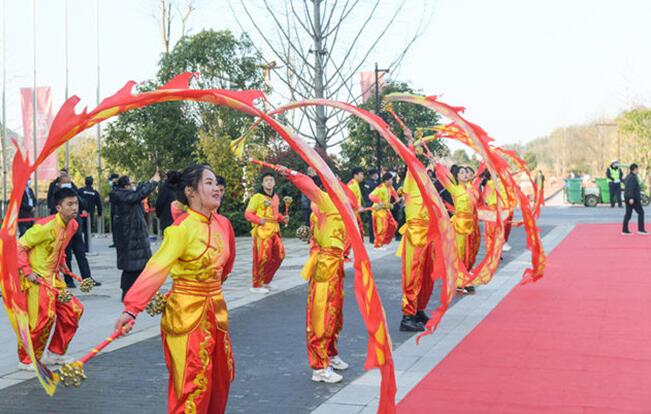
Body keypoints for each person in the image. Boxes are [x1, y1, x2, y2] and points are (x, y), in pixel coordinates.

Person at [115, 164, 236, 414]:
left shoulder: (224, 224)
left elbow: (227, 265)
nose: (216, 189)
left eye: (216, 184)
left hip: (216, 311)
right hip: (186, 314)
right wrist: (132, 309)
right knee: (193, 383)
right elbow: (156, 268)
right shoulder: (180, 230)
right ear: (190, 191)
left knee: (221, 380)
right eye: (209, 183)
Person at [277, 166, 348, 384]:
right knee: (321, 316)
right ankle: (319, 366)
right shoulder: (325, 199)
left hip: (336, 266)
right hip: (325, 266)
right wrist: (291, 174)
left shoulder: (339, 204)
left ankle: (331, 354)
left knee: (335, 316)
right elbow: (307, 186)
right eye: (331, 179)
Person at [16, 187, 84, 370]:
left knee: (73, 310)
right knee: (42, 317)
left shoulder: (73, 225)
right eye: (69, 204)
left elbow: (60, 246)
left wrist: (61, 262)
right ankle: (26, 359)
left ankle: (55, 353)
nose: (74, 208)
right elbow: (19, 246)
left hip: (54, 279)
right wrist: (27, 270)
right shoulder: (44, 226)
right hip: (38, 279)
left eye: (75, 203)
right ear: (58, 207)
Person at [110, 173, 160, 300]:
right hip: (130, 238)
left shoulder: (124, 194)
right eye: (130, 184)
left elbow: (139, 192)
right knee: (131, 269)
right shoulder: (122, 195)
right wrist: (153, 181)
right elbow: (139, 194)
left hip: (134, 237)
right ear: (126, 186)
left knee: (138, 267)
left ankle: (136, 293)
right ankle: (127, 293)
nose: (132, 186)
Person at [396, 170, 434, 332]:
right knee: (413, 275)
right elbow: (411, 164)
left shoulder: (426, 189)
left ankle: (418, 310)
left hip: (427, 236)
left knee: (426, 276)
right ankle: (407, 316)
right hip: (414, 237)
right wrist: (411, 147)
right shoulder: (410, 185)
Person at [437, 165, 478, 294]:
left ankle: (463, 279)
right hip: (459, 224)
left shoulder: (470, 189)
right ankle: (459, 282)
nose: (465, 174)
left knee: (468, 253)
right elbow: (443, 178)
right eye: (461, 173)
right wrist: (437, 165)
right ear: (457, 176)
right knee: (459, 253)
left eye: (466, 172)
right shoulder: (455, 189)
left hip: (470, 224)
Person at [244, 172, 288, 294]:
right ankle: (256, 285)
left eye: (271, 180)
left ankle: (267, 280)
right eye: (266, 180)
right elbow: (248, 214)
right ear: (263, 183)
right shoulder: (257, 197)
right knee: (262, 257)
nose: (269, 182)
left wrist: (281, 218)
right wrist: (258, 220)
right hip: (262, 231)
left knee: (280, 255)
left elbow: (275, 214)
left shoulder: (275, 197)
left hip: (275, 230)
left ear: (274, 183)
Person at [369, 172, 399, 249]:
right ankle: (378, 244)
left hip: (386, 209)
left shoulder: (390, 187)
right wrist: (379, 202)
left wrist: (397, 198)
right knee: (382, 227)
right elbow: (371, 196)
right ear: (386, 180)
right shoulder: (380, 187)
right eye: (391, 180)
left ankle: (383, 241)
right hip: (378, 210)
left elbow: (394, 193)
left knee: (393, 225)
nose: (392, 181)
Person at [343, 167, 365, 259]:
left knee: (359, 233)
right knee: (351, 234)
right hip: (351, 213)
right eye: (361, 174)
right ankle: (344, 254)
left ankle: (358, 252)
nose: (363, 176)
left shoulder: (355, 184)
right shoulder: (352, 185)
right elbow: (348, 199)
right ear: (355, 175)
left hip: (355, 213)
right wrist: (357, 207)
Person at [79, 176, 103, 252]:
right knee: (87, 231)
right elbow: (99, 204)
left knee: (79, 231)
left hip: (80, 213)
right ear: (92, 182)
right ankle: (87, 247)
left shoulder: (80, 191)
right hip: (90, 214)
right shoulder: (95, 193)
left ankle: (80, 247)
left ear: (85, 182)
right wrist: (100, 213)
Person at [622, 163, 647, 235]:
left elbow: (624, 183)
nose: (638, 170)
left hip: (628, 197)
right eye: (637, 169)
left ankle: (625, 230)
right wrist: (631, 198)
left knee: (628, 214)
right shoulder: (632, 177)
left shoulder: (628, 176)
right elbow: (631, 188)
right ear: (634, 169)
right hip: (633, 198)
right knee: (641, 212)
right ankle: (641, 230)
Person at [362, 169, 380, 243]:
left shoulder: (375, 182)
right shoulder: (368, 183)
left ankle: (376, 237)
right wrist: (370, 204)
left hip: (376, 205)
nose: (377, 175)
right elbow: (367, 195)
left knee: (376, 222)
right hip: (371, 205)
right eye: (376, 174)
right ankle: (372, 239)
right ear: (373, 175)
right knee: (372, 222)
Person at [108, 173, 120, 248]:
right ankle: (115, 241)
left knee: (117, 227)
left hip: (117, 210)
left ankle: (118, 242)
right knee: (113, 227)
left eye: (112, 179)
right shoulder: (113, 186)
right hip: (113, 209)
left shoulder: (118, 187)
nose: (111, 181)